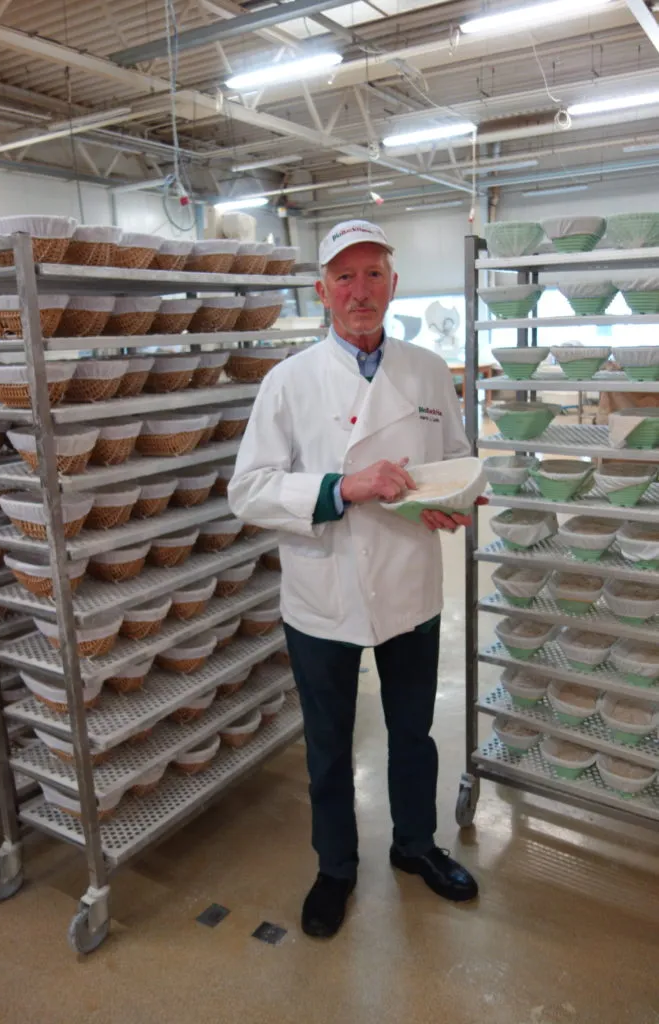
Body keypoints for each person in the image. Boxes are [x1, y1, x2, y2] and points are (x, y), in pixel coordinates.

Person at [228, 219, 480, 940]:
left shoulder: (427, 370)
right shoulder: (287, 382)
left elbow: (453, 454)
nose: (359, 291)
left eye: (373, 275)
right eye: (344, 277)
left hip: (409, 583)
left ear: (394, 285)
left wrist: (454, 499)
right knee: (329, 745)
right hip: (323, 591)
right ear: (322, 291)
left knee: (413, 733)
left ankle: (415, 845)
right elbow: (248, 491)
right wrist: (342, 487)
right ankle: (335, 867)